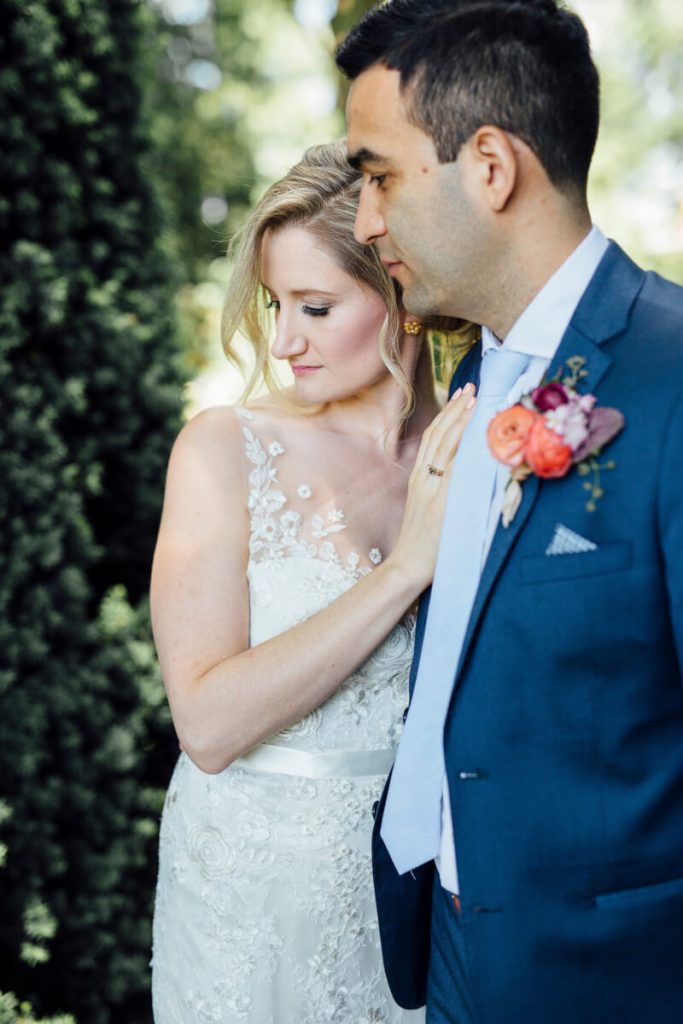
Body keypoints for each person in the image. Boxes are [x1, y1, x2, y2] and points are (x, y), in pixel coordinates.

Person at [336, 2, 683, 1023]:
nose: (362, 220)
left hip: (611, 973)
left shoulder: (669, 376)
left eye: (378, 174)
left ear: (488, 165)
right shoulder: (466, 377)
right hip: (447, 936)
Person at [150, 140, 477, 1023]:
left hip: (418, 899)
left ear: (401, 296)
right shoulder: (223, 449)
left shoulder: (471, 444)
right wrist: (408, 566)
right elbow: (208, 726)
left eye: (316, 306)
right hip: (246, 894)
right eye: (273, 302)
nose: (282, 339)